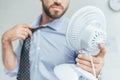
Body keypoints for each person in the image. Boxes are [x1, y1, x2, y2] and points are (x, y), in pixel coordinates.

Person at [1, 0, 106, 80]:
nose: (58, 1)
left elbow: (87, 74)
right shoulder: (28, 30)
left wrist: (95, 72)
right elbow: (14, 69)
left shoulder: (77, 35)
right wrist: (6, 42)